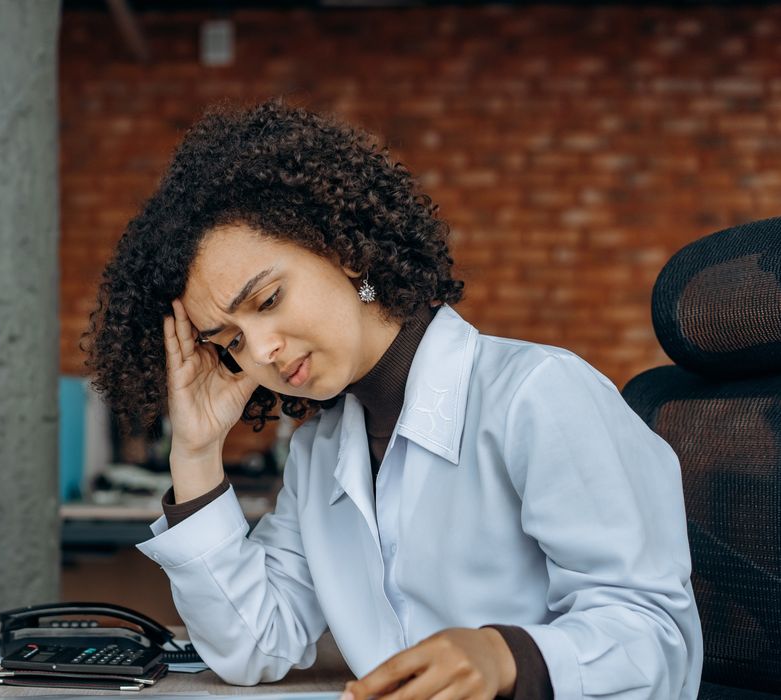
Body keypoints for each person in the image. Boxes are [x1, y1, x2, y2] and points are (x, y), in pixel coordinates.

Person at [84, 100, 702, 700]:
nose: (262, 350)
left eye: (268, 301)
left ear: (346, 250)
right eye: (231, 341)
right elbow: (256, 646)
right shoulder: (320, 454)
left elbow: (657, 641)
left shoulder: (537, 395)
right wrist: (195, 454)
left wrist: (504, 657)